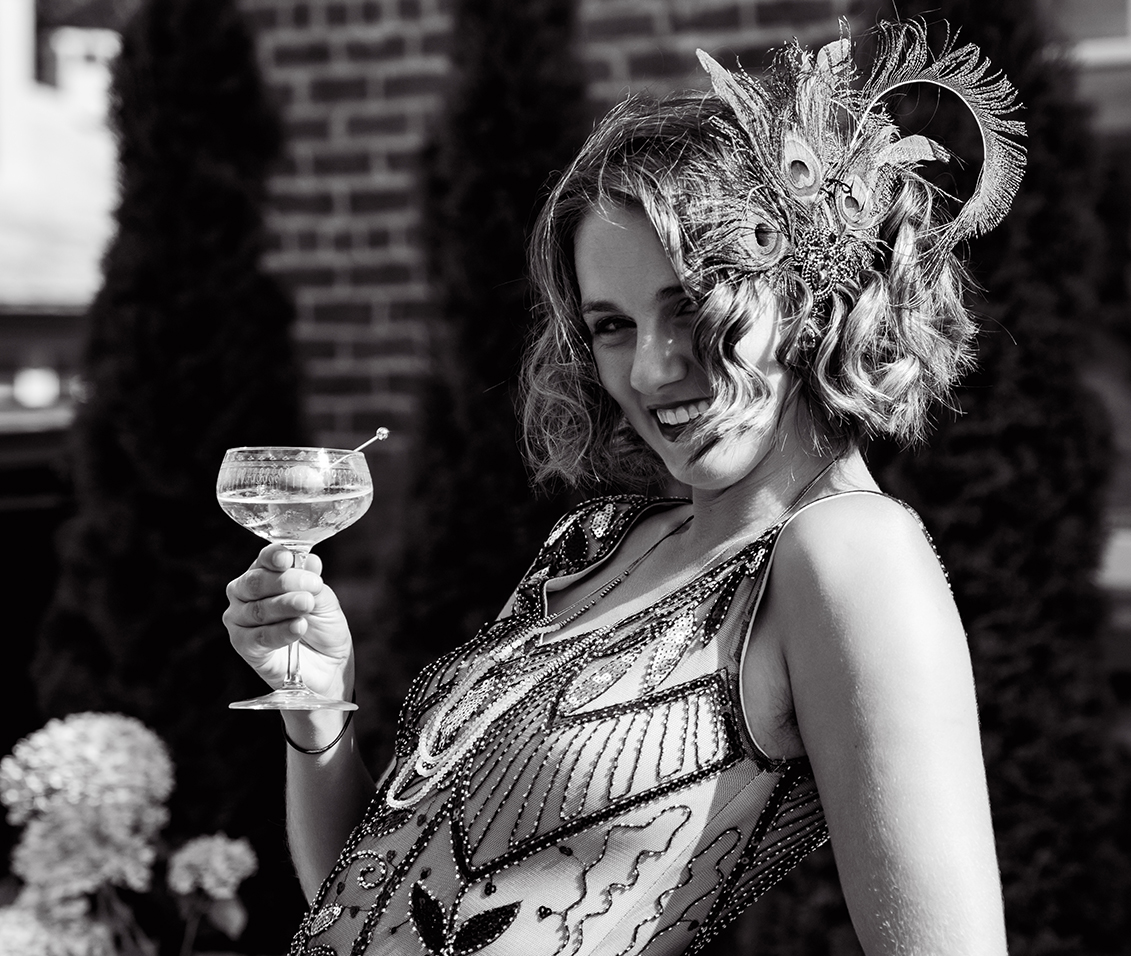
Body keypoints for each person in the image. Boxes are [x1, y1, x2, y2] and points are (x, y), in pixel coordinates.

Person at [225, 20, 1025, 956]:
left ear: (816, 302)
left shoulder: (848, 553)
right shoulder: (595, 542)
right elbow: (368, 909)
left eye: (691, 306)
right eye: (610, 325)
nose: (650, 369)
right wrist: (318, 715)